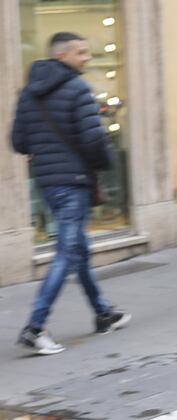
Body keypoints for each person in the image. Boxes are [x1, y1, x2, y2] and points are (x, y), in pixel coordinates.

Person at [11, 32, 130, 355]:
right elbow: (94, 140)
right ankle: (35, 327)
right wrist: (104, 164)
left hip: (47, 183)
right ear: (62, 55)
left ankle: (103, 313)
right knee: (67, 252)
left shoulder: (28, 93)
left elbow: (18, 142)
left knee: (78, 250)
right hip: (74, 181)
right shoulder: (77, 88)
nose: (87, 58)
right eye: (81, 52)